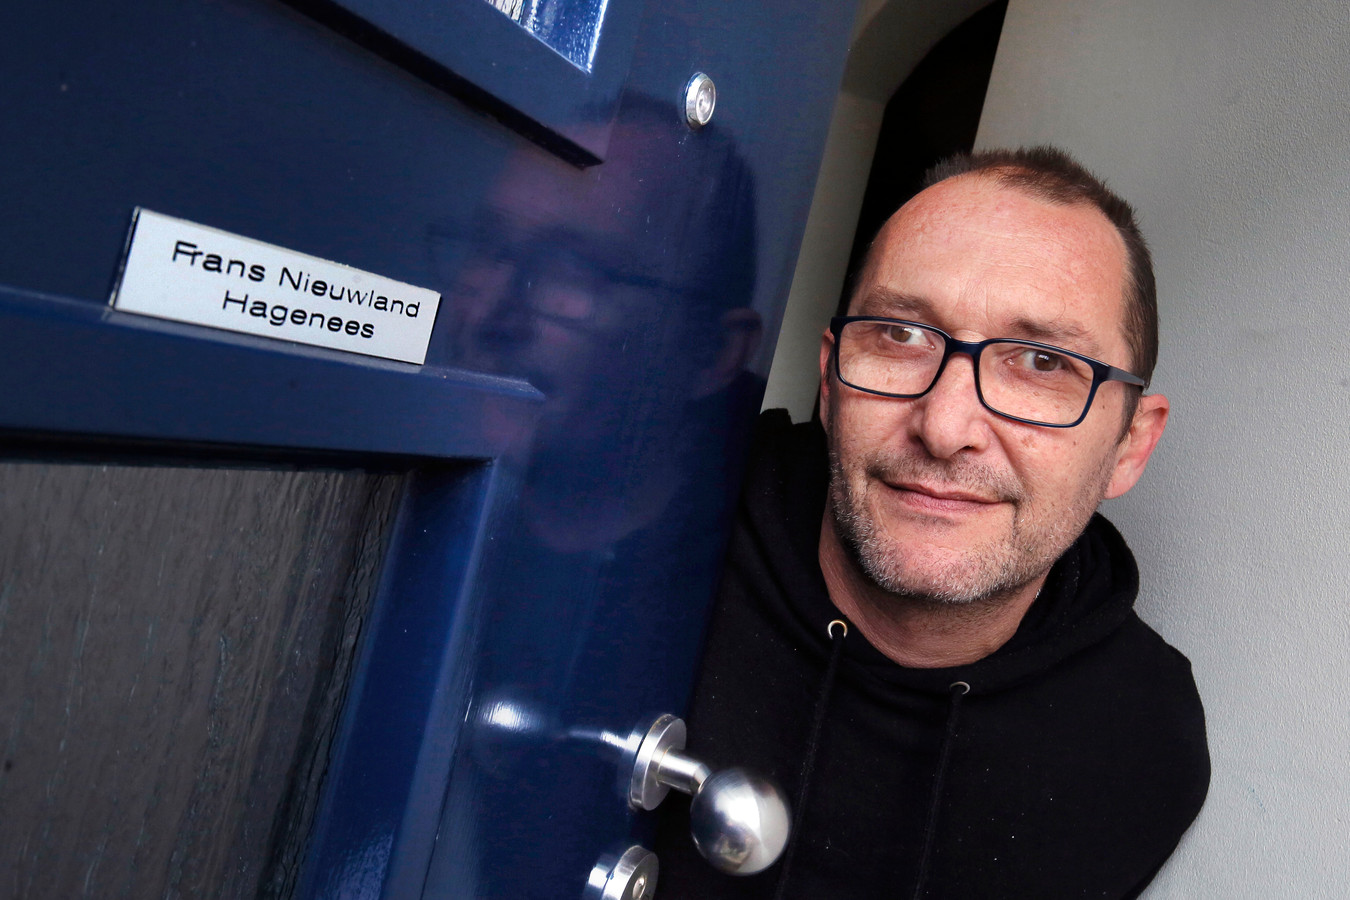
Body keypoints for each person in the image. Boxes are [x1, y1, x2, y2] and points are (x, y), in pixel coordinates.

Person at [655, 147, 1210, 899]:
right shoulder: (655, 525)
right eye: (900, 335)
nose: (945, 429)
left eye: (1042, 363)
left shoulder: (1142, 743)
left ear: (1130, 445)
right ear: (831, 382)